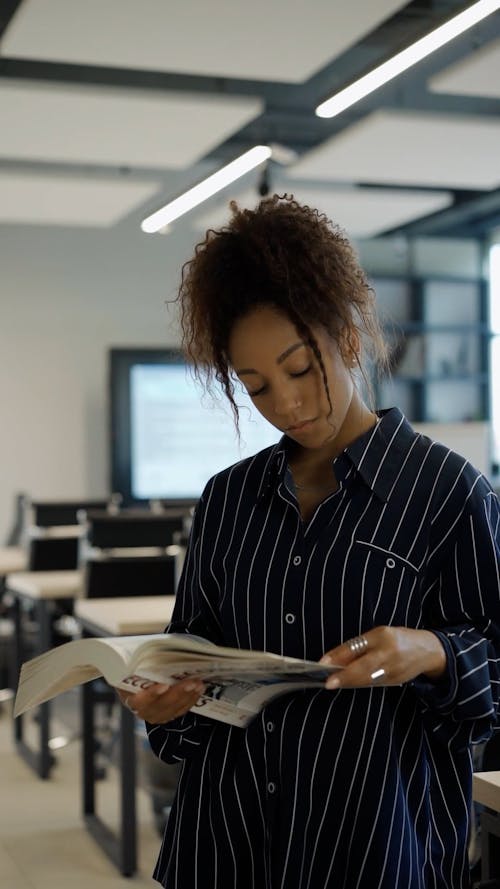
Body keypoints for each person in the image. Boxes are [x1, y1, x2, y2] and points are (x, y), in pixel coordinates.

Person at [118, 196, 500, 888]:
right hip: (222, 850)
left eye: (300, 369)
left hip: (374, 856)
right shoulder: (228, 500)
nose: (285, 405)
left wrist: (435, 651)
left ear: (348, 339)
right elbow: (189, 669)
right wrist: (165, 701)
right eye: (256, 386)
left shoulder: (448, 494)